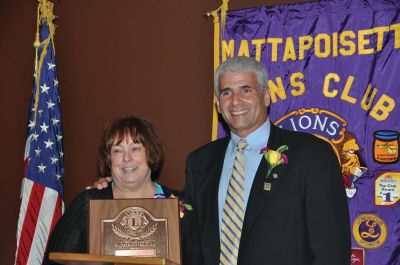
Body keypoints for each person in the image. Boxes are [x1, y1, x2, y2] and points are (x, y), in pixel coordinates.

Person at [184, 56, 351, 265]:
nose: (236, 101)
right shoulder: (200, 162)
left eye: (246, 90)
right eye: (227, 92)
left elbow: (331, 251)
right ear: (218, 104)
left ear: (266, 96)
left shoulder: (312, 155)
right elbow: (192, 244)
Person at [43, 116, 203, 265]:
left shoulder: (180, 205)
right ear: (108, 159)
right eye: (117, 150)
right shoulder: (88, 203)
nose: (127, 158)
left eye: (135, 148)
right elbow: (55, 261)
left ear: (151, 153)